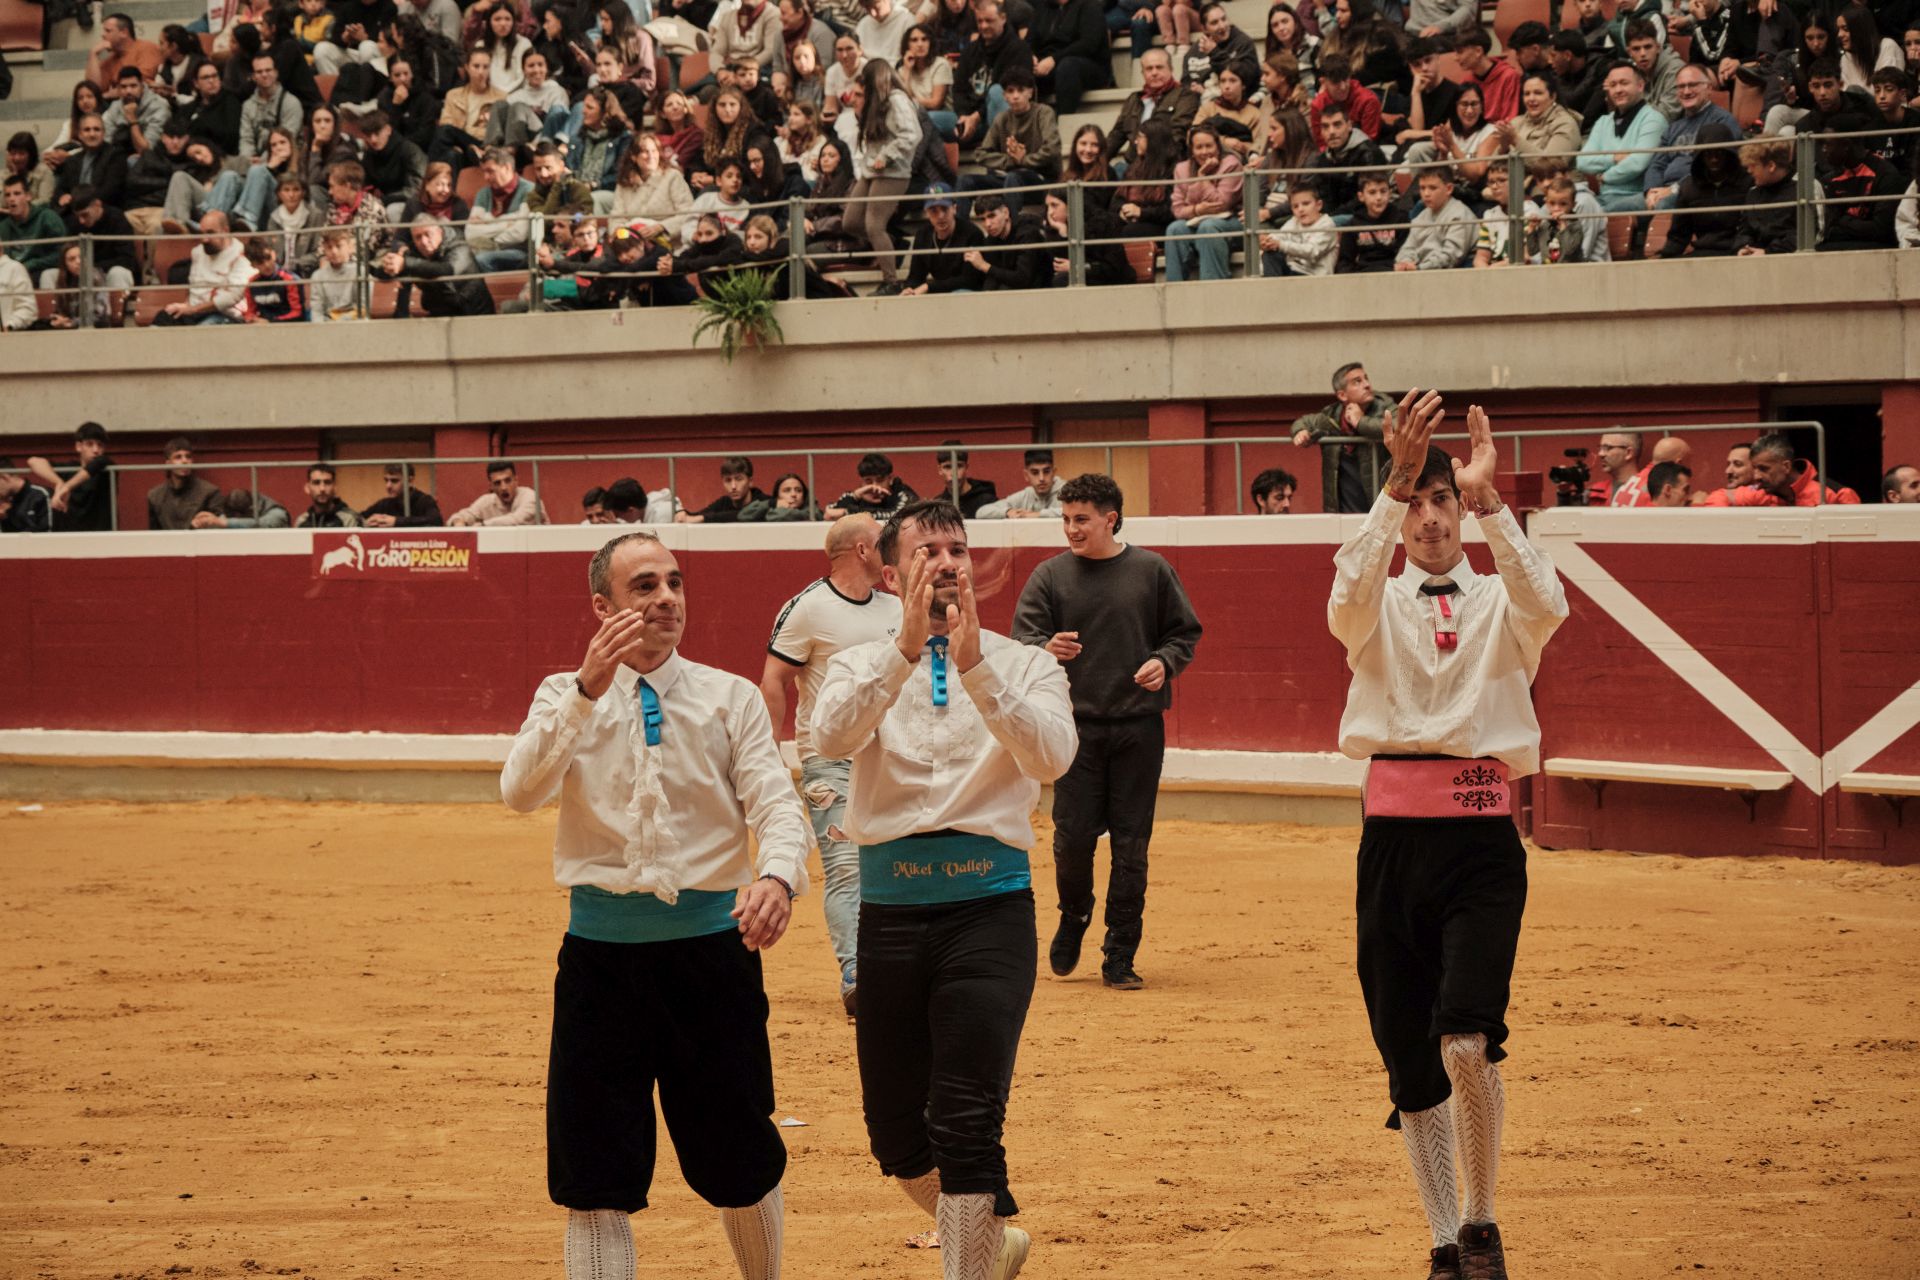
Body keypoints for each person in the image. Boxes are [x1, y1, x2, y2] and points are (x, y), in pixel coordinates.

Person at [500, 530, 808, 1280]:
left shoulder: (729, 697)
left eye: (674, 582)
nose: (667, 598)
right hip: (601, 963)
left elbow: (777, 804)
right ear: (602, 606)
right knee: (595, 1176)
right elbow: (520, 791)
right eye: (645, 587)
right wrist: (585, 689)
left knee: (738, 1157)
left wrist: (776, 877)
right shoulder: (560, 696)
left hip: (711, 957)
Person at [1328, 388, 1569, 1280]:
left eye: (1443, 501)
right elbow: (1345, 588)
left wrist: (1492, 503)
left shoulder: (1504, 603)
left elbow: (1549, 600)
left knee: (1465, 1037)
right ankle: (1438, 1240)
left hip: (1479, 843)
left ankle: (1481, 1221)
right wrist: (1391, 483)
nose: (1431, 519)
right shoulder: (1373, 606)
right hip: (1390, 845)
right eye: (1419, 504)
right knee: (1408, 1058)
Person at [810, 499, 1077, 1280]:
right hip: (889, 914)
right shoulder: (861, 663)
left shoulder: (1024, 661)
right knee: (896, 1134)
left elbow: (1052, 757)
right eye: (928, 552)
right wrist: (903, 650)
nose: (949, 562)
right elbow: (829, 738)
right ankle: (992, 1245)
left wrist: (975, 668)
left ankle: (965, 1266)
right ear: (892, 574)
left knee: (965, 1121)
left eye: (957, 549)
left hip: (988, 911)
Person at [1012, 473, 1201, 990]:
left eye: (1081, 520)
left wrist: (1165, 661)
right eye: (1066, 519)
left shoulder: (1151, 570)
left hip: (1139, 727)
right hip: (1072, 730)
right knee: (1071, 840)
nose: (1071, 529)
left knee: (1131, 845)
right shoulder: (1050, 576)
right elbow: (1022, 638)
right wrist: (1044, 647)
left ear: (1110, 519)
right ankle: (1074, 916)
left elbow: (1183, 632)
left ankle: (1120, 951)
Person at [760, 513, 903, 1016]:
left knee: (889, 868)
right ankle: (858, 977)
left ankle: (889, 969)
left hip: (891, 758)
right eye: (883, 539)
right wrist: (767, 757)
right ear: (864, 549)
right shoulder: (807, 609)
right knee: (846, 869)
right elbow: (774, 682)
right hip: (830, 761)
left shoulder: (895, 605)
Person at [1292, 361, 1391, 513]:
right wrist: (1301, 431)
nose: (1367, 385)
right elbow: (1303, 422)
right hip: (1341, 512)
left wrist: (1361, 422)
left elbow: (1399, 426)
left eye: (1366, 378)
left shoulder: (1384, 406)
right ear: (1342, 395)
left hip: (1381, 509)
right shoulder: (1331, 416)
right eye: (1357, 382)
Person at [1577, 63, 1667, 212]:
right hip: (1603, 197)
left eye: (1624, 83)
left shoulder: (1653, 119)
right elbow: (1582, 161)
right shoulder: (1603, 122)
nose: (1618, 90)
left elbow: (1637, 164)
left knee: (1587, 215)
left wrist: (1604, 177)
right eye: (1613, 85)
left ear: (1640, 86)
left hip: (1635, 196)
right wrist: (1613, 158)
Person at [1162, 123, 1243, 282]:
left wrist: (1202, 176)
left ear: (1218, 147)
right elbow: (1178, 210)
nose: (1204, 152)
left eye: (1209, 146)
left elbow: (1221, 203)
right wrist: (1199, 209)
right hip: (1196, 220)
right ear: (1192, 150)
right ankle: (1174, 291)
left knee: (1208, 227)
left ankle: (1212, 287)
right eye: (1199, 147)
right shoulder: (1181, 169)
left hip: (1231, 222)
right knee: (1174, 229)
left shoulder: (1231, 164)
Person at [375, 217, 495, 318]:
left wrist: (405, 264)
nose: (424, 241)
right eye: (418, 237)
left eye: (428, 234)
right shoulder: (414, 252)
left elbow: (447, 270)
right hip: (441, 315)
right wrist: (390, 264)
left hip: (475, 317)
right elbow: (380, 274)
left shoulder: (460, 248)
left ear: (440, 232)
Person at [1702, 432, 1862, 505]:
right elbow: (1720, 496)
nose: (1756, 476)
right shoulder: (1762, 490)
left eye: (1763, 469)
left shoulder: (1836, 494)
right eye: (1755, 468)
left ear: (1785, 466)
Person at [153, 210, 253, 325]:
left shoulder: (241, 256)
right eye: (202, 233)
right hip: (193, 312)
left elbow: (230, 298)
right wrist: (184, 306)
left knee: (202, 330)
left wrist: (192, 309)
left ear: (225, 231)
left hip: (223, 314)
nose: (204, 239)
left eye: (210, 233)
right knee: (162, 318)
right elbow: (195, 288)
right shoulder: (198, 252)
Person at [1102, 49, 1199, 163]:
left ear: (1171, 69)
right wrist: (1098, 160)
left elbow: (1178, 133)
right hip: (1134, 164)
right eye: (1149, 69)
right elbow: (1116, 135)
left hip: (1167, 164)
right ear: (1143, 73)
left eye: (1159, 67)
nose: (1154, 73)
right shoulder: (1134, 99)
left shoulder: (1185, 95)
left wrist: (1149, 152)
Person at [26, 423, 116, 533]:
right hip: (70, 534)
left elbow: (97, 464)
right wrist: (59, 482)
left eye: (100, 445)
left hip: (100, 534)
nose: (96, 450)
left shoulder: (107, 467)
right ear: (79, 446)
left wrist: (66, 487)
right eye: (90, 444)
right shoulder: (69, 469)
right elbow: (34, 461)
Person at [899, 184, 985, 294]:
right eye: (933, 210)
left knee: (959, 294)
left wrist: (928, 287)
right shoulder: (923, 235)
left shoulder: (972, 233)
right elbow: (916, 275)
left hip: (967, 292)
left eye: (945, 209)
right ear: (926, 213)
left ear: (954, 209)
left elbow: (969, 280)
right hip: (939, 290)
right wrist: (909, 289)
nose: (940, 216)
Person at [1027, 0, 1109, 112]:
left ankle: (1062, 121)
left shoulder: (1090, 6)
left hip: (1087, 65)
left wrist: (1054, 59)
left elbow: (1089, 44)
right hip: (1047, 64)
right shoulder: (1042, 8)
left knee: (1068, 67)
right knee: (1020, 65)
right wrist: (1031, 56)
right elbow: (1029, 41)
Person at [1394, 166, 1473, 271]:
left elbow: (1451, 256)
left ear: (1449, 189)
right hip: (1420, 271)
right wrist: (1404, 263)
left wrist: (1419, 268)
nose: (1426, 194)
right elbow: (1408, 248)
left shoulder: (1459, 214)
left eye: (1432, 188)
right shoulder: (1420, 217)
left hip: (1451, 275)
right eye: (1422, 188)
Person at [1261, 179, 1338, 276]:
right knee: (1270, 254)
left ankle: (1273, 289)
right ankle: (1272, 289)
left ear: (1319, 205)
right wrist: (1268, 241)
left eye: (1306, 204)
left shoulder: (1326, 224)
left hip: (1314, 277)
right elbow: (1280, 235)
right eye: (1295, 206)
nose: (1300, 209)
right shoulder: (1294, 221)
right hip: (1293, 272)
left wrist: (1280, 245)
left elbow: (1311, 251)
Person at [448, 460, 548, 525]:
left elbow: (516, 520)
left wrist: (482, 525)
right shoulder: (486, 501)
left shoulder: (530, 496)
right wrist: (458, 522)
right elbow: (462, 516)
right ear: (491, 486)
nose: (503, 487)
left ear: (516, 480)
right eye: (497, 483)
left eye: (508, 481)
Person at [826, 452, 919, 518]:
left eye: (880, 480)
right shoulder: (857, 496)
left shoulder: (904, 495)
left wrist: (848, 512)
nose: (874, 487)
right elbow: (829, 513)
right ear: (861, 482)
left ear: (890, 479)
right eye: (868, 481)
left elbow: (897, 516)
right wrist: (855, 496)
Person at [89, 14, 164, 92]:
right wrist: (93, 55)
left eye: (108, 31)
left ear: (124, 33)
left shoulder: (147, 48)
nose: (103, 35)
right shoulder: (110, 61)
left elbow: (138, 84)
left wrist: (107, 95)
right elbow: (93, 90)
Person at [681, 457, 770, 523]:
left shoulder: (764, 501)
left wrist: (703, 518)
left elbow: (743, 515)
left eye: (739, 479)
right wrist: (682, 513)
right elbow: (697, 515)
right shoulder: (724, 502)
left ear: (750, 482)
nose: (733, 486)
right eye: (728, 480)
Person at [976, 450, 1062, 519]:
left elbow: (1074, 511)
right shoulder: (1024, 495)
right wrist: (1007, 512)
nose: (1041, 478)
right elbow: (981, 512)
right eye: (1035, 472)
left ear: (1054, 472)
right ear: (1026, 475)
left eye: (1046, 471)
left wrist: (1038, 514)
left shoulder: (1066, 491)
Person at [362, 462, 445, 526]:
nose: (388, 486)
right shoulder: (385, 503)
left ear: (410, 481)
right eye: (386, 480)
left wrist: (396, 521)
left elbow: (436, 521)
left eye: (394, 481)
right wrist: (365, 522)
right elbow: (359, 517)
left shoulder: (424, 500)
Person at [929, 442, 1000, 516]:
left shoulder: (987, 501)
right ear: (940, 470)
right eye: (947, 467)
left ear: (966, 467)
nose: (953, 473)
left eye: (959, 466)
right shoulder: (938, 506)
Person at [294, 463, 367, 527]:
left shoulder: (350, 518)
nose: (322, 489)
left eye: (327, 482)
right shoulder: (301, 521)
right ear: (307, 488)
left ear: (335, 487)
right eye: (316, 483)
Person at [192, 487, 293, 529]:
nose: (237, 519)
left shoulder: (276, 513)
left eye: (240, 516)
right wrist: (208, 523)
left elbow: (262, 524)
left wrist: (224, 523)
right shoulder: (230, 515)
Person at [0, 461, 55, 534]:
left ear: (4, 477)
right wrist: (4, 518)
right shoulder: (8, 502)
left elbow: (48, 531)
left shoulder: (41, 494)